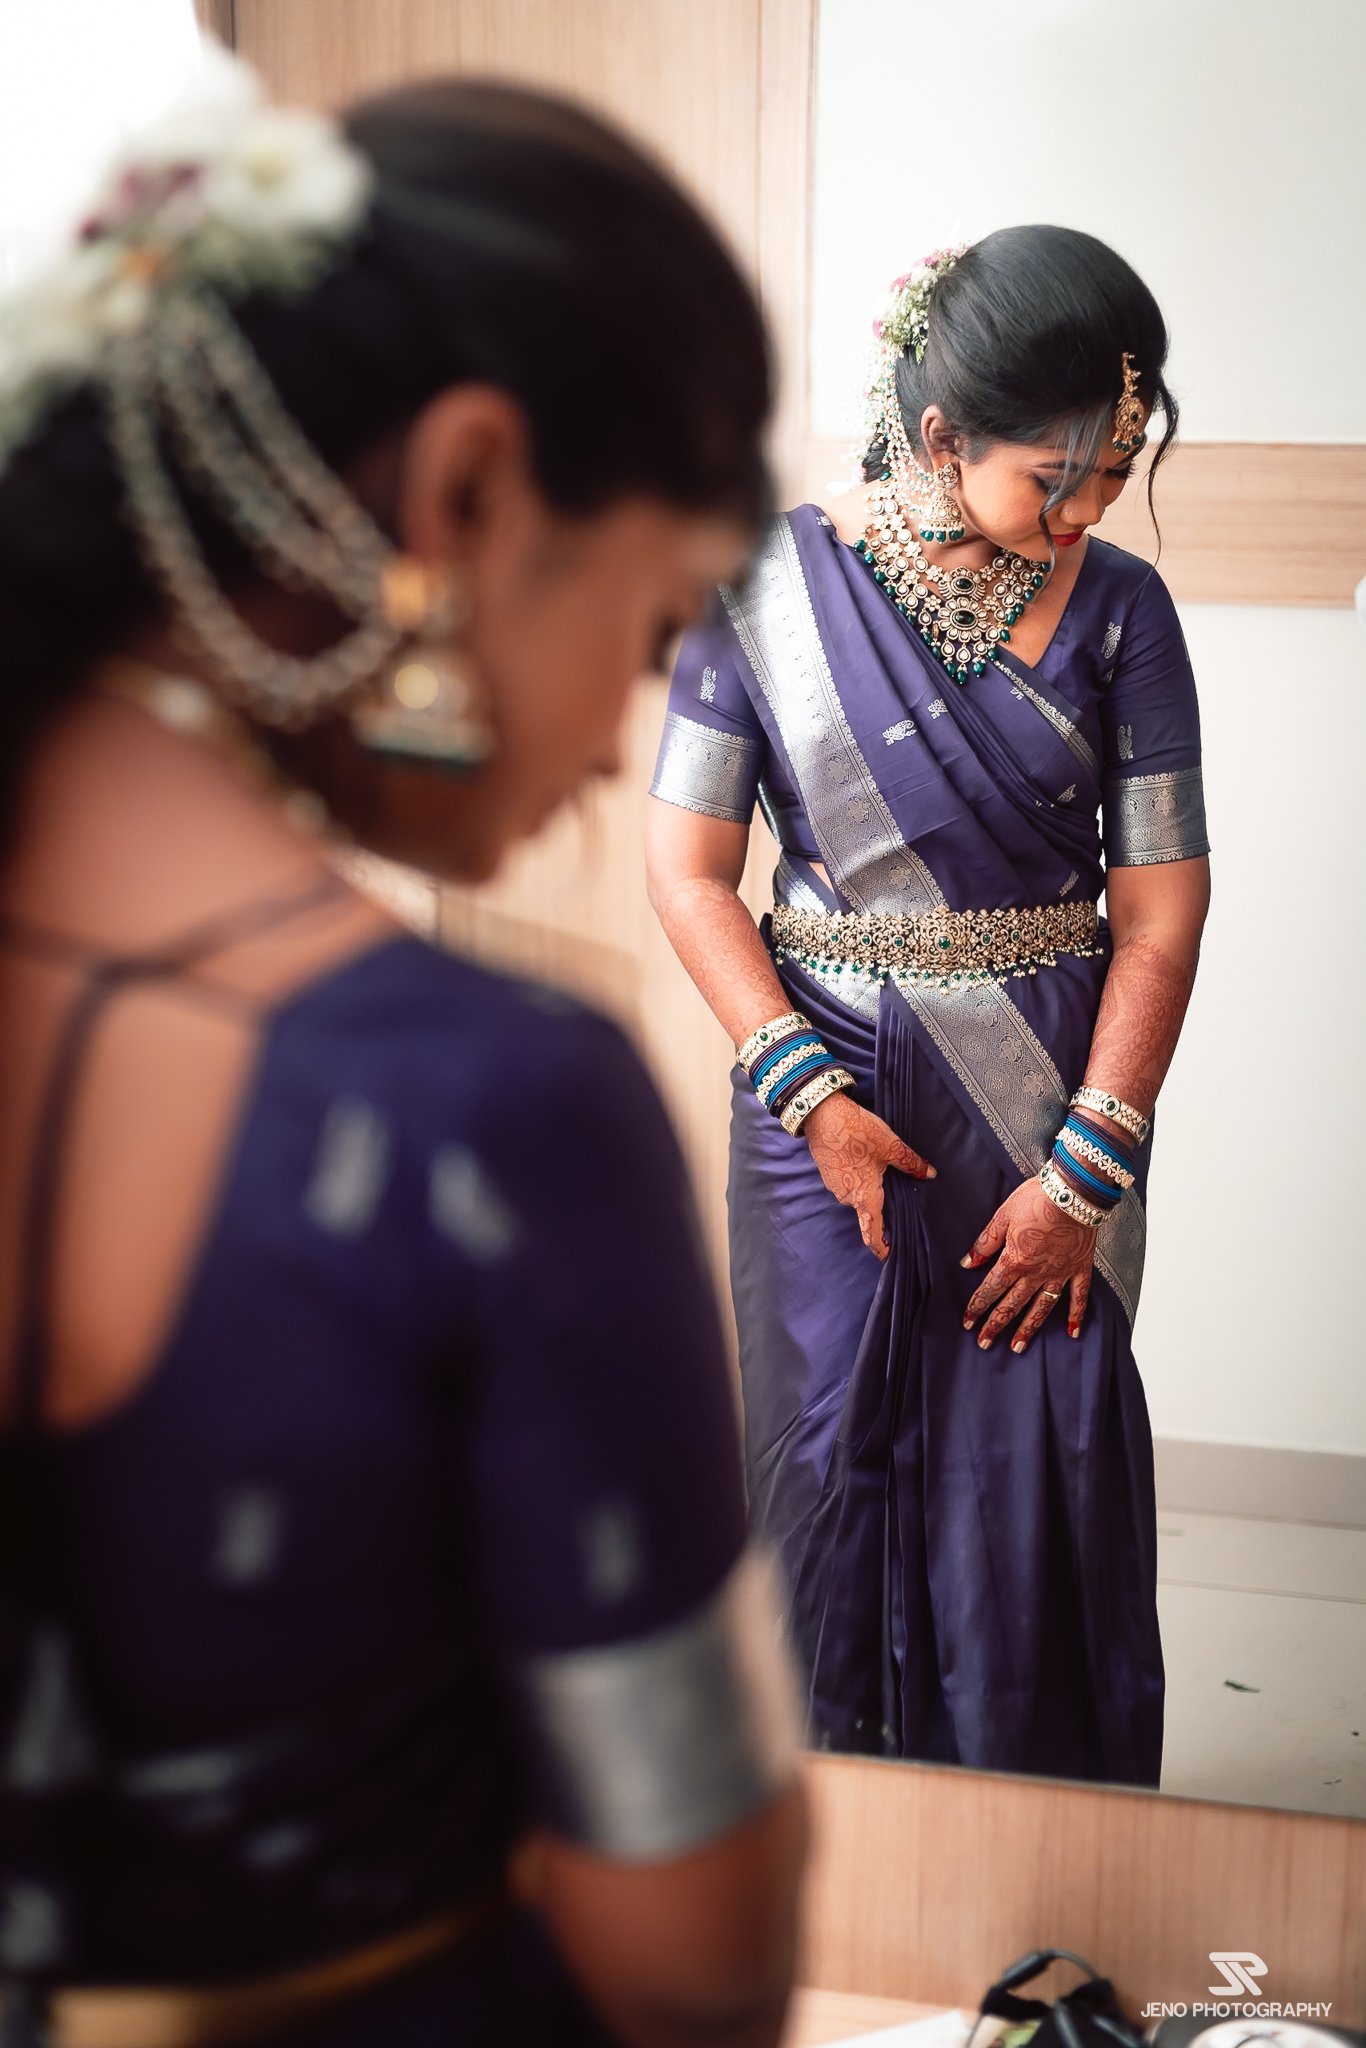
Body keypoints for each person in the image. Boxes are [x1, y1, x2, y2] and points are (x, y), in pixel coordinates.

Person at [0, 54, 806, 2048]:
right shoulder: (489, 1105)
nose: (618, 742)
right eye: (654, 628)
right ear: (464, 492)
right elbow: (694, 1966)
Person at [646, 227, 1211, 1790]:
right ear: (942, 434)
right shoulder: (757, 590)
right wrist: (808, 1100)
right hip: (816, 1105)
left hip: (1049, 1107)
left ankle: (1037, 1840)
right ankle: (819, 1845)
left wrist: (1082, 1174)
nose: (1085, 513)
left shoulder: (1123, 613)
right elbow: (687, 874)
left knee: (1033, 1479)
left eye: (1114, 475)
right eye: (1058, 477)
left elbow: (1160, 912)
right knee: (821, 1461)